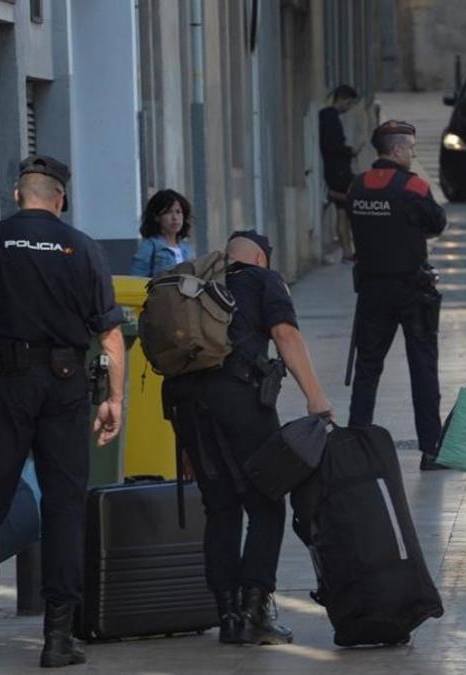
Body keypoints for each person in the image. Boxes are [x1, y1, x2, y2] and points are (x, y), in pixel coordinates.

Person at [0, 155, 126, 669]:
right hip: (66, 388)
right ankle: (58, 638)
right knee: (64, 507)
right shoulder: (83, 248)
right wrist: (114, 398)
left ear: (18, 196)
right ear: (60, 200)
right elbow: (110, 334)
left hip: (4, 385)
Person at [163, 231, 332, 646]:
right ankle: (254, 611)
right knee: (266, 502)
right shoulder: (263, 279)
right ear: (260, 257)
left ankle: (228, 615)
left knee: (220, 508)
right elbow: (286, 335)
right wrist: (315, 395)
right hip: (239, 399)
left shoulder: (199, 286)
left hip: (187, 408)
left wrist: (186, 444)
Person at [347, 120, 448, 471]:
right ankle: (431, 449)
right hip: (411, 290)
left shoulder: (357, 186)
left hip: (372, 291)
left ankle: (357, 443)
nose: (414, 153)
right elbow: (437, 223)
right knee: (422, 368)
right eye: (412, 148)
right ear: (398, 149)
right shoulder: (413, 186)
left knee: (367, 369)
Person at [320, 85, 360, 262]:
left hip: (337, 169)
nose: (348, 107)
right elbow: (332, 146)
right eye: (349, 103)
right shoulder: (330, 117)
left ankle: (347, 252)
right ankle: (347, 251)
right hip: (339, 170)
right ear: (342, 99)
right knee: (347, 205)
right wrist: (350, 151)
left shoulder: (328, 116)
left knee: (342, 211)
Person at [130, 189, 195, 277]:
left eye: (178, 212)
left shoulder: (187, 249)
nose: (175, 217)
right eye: (168, 212)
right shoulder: (150, 246)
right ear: (156, 217)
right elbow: (136, 279)